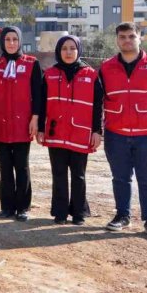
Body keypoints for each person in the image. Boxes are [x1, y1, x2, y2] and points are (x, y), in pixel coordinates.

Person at [100, 22, 147, 240]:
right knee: (120, 178)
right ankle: (122, 216)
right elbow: (99, 98)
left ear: (140, 38)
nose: (127, 40)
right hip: (116, 133)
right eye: (122, 37)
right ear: (117, 40)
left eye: (131, 36)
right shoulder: (106, 68)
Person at [36, 35, 103, 225]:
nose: (68, 52)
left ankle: (79, 213)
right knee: (58, 174)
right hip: (56, 132)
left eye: (72, 48)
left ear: (78, 50)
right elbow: (41, 105)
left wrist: (97, 131)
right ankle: (60, 213)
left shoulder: (91, 75)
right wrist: (40, 128)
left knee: (78, 175)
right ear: (59, 51)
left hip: (81, 133)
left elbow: (98, 106)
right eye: (64, 48)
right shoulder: (49, 74)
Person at [0, 26, 42, 221]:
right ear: (2, 42)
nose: (11, 43)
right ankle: (7, 207)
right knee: (5, 167)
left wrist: (35, 119)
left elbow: (38, 94)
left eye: (15, 39)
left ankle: (23, 207)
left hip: (23, 123)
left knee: (21, 166)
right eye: (7, 39)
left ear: (20, 41)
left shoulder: (32, 63)